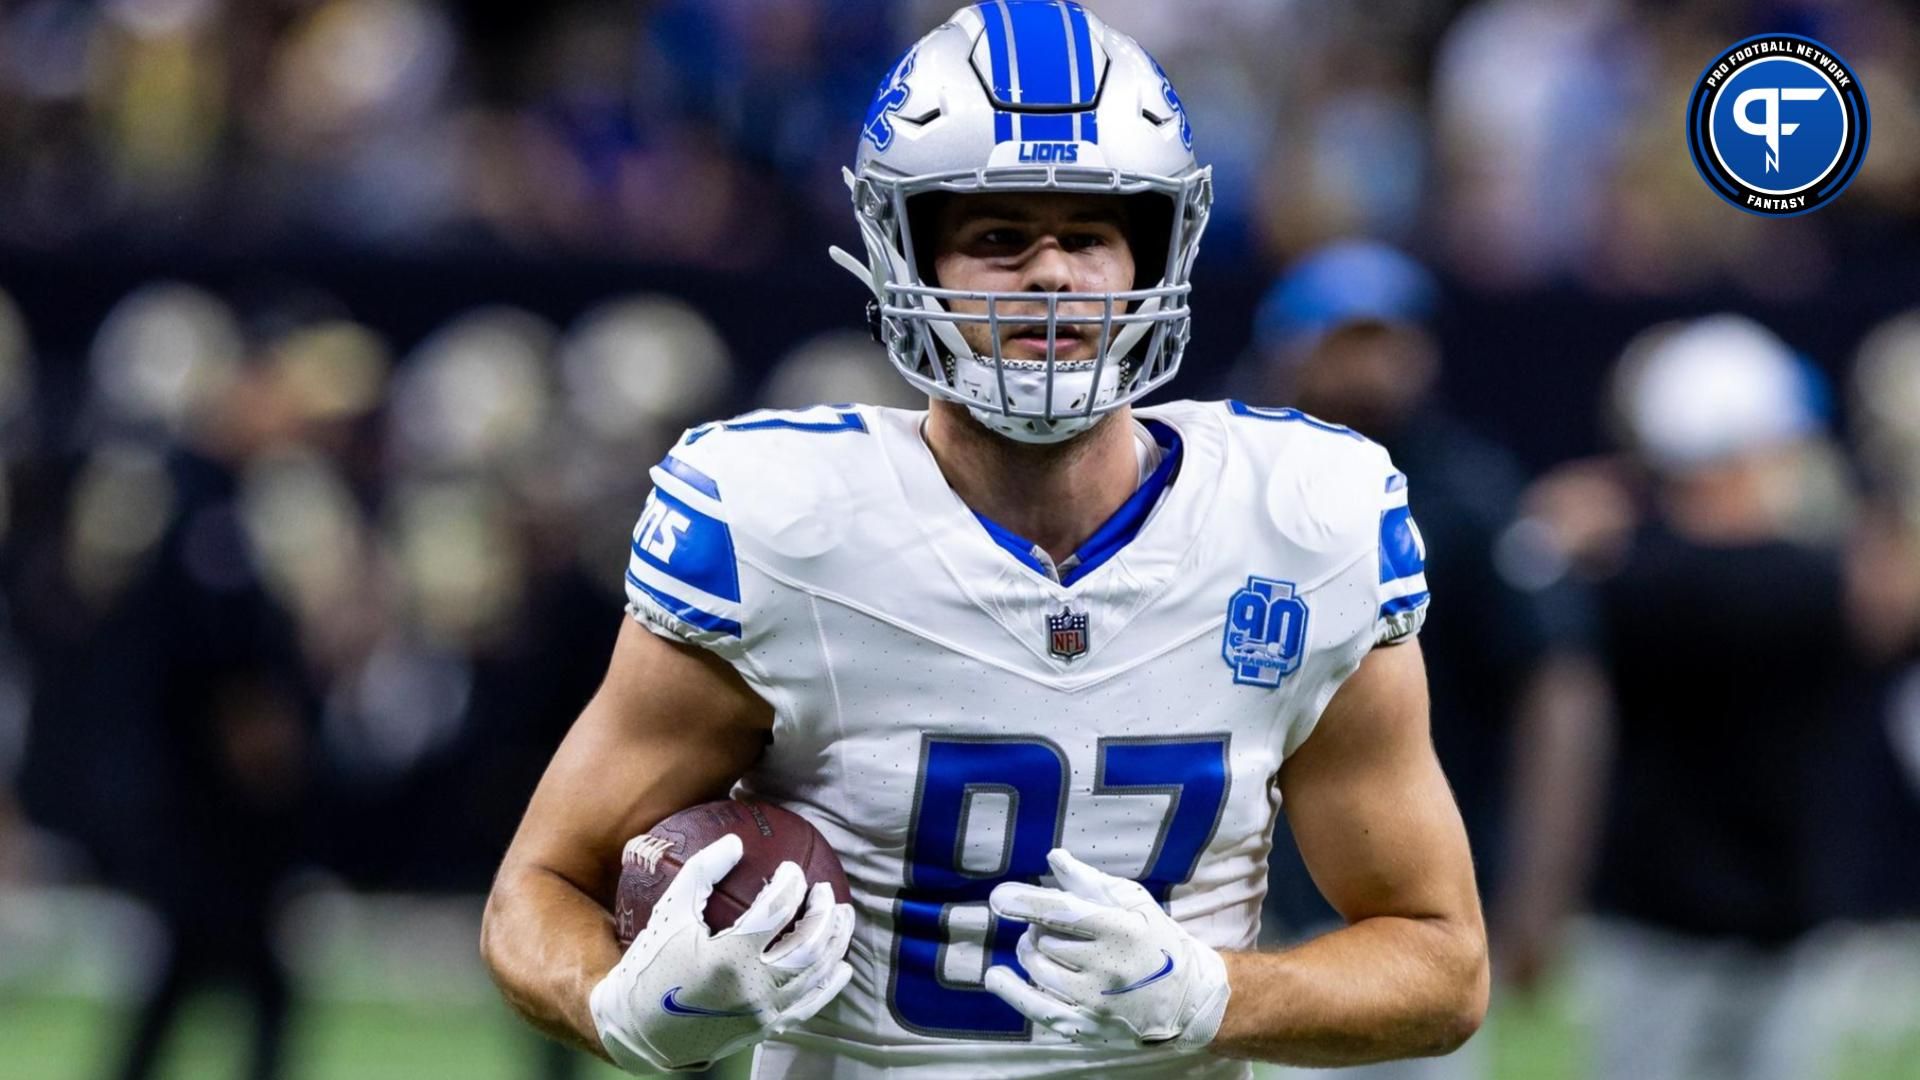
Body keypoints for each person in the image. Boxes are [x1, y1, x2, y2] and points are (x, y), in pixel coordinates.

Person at [482, 5, 1487, 1077]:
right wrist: (625, 1005)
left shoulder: (1300, 521)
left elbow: (1440, 962)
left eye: (1090, 234)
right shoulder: (784, 526)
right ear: (904, 253)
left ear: (1155, 254)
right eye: (1000, 238)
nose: (1051, 275)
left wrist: (1214, 992)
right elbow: (535, 893)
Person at [1248, 242, 1609, 1080]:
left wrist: (1536, 893)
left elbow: (1559, 687)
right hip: (1253, 896)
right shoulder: (1223, 479)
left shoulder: (1468, 492)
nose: (1377, 364)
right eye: (1348, 340)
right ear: (1288, 348)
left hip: (1415, 899)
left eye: (1392, 338)